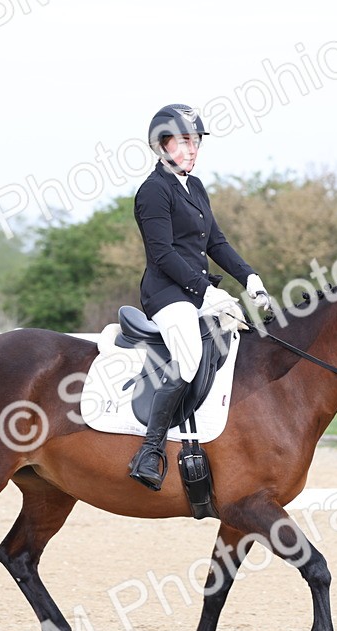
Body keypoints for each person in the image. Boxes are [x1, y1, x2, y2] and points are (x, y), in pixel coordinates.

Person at [127, 103, 273, 491]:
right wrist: (206, 292)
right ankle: (150, 450)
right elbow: (163, 254)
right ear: (162, 145)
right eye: (184, 141)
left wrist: (251, 278)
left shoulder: (195, 187)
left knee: (245, 342)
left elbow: (217, 243)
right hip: (167, 294)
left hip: (196, 291)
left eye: (196, 142)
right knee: (188, 359)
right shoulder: (153, 191)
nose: (192, 149)